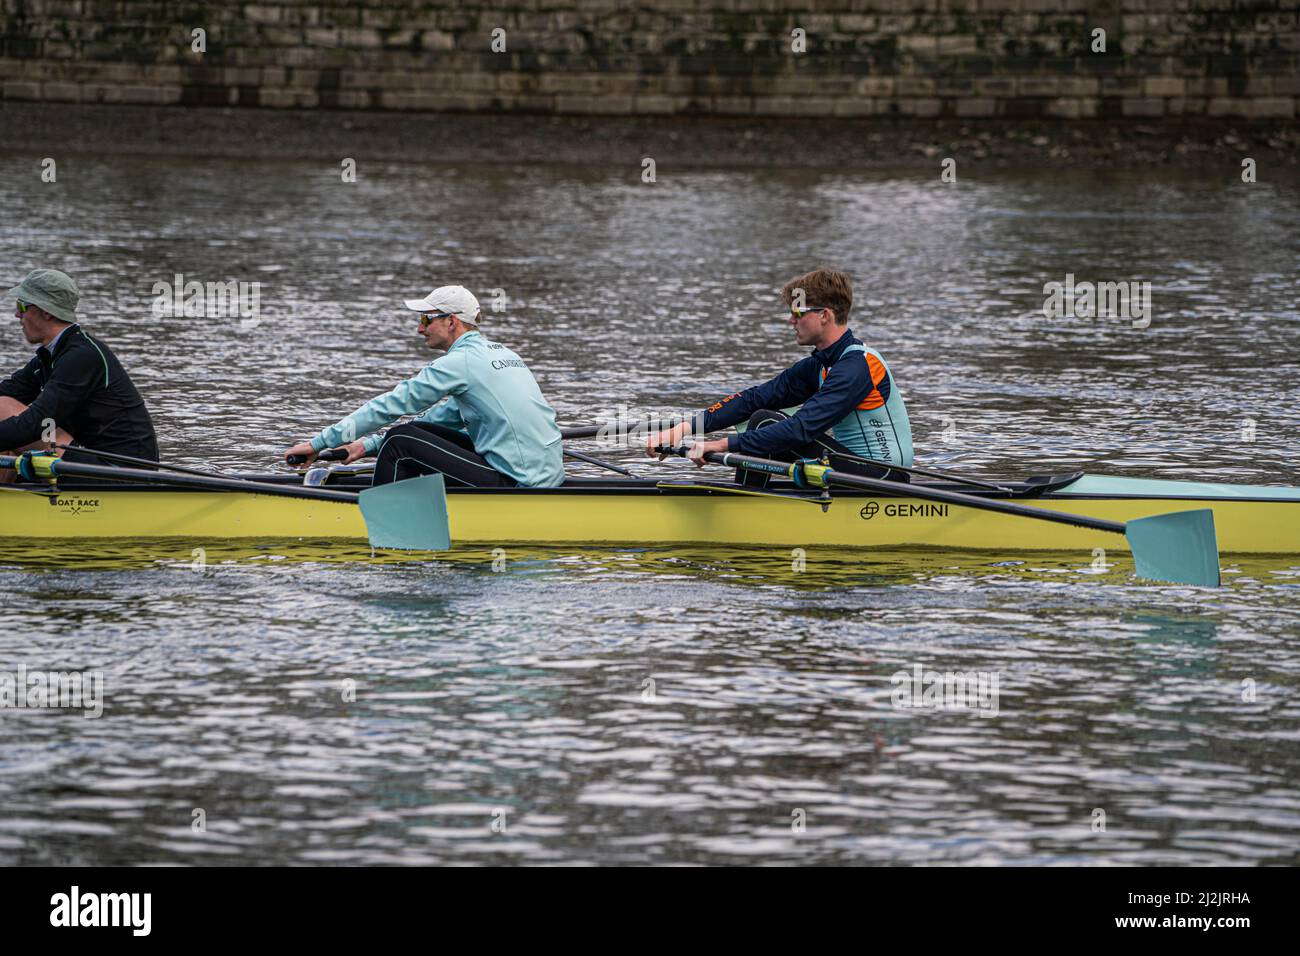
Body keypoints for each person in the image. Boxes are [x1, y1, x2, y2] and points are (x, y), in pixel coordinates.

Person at [646, 267, 913, 484]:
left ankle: (745, 509)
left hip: (884, 478)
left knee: (765, 422)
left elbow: (801, 429)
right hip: (857, 469)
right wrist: (682, 429)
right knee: (760, 412)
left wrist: (719, 445)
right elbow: (755, 398)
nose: (791, 321)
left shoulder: (857, 367)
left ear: (824, 316)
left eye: (798, 312)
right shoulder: (822, 364)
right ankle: (749, 500)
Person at [284, 284, 564, 489]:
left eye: (426, 319)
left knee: (399, 442)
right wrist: (366, 446)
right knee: (411, 433)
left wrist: (318, 443)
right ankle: (405, 499)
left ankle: (390, 525)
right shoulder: (501, 353)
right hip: (544, 474)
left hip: (519, 482)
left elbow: (392, 405)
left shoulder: (460, 362)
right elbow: (440, 419)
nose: (420, 328)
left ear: (452, 321)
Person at [1, 268, 158, 479]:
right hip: (88, 459)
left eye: (22, 305)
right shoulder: (52, 355)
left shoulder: (82, 356)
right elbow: (7, 390)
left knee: (3, 409)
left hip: (122, 470)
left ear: (46, 311)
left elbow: (35, 423)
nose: (17, 314)